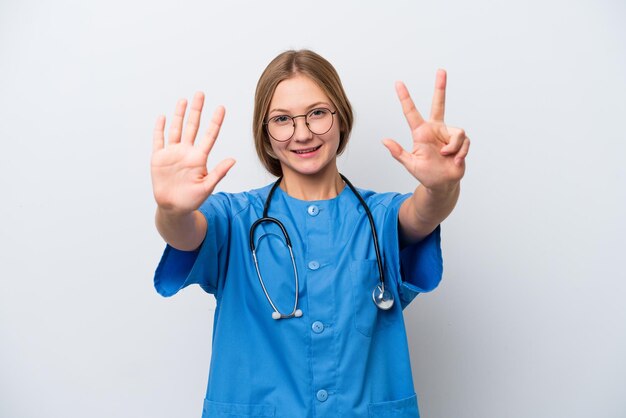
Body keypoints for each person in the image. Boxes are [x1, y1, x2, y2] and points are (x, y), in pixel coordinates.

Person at [151, 49, 469, 418]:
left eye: (317, 113)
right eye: (282, 119)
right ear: (265, 135)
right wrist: (172, 209)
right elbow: (184, 233)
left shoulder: (380, 217)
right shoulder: (235, 219)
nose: (302, 133)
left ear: (341, 119)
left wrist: (442, 187)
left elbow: (423, 212)